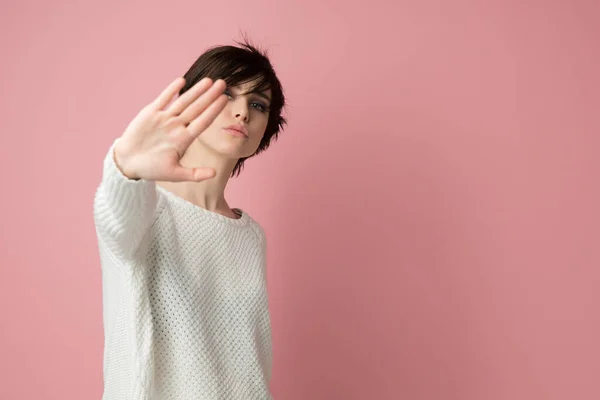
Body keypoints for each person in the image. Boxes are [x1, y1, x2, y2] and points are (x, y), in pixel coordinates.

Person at [92, 39, 287, 400]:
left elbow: (252, 358)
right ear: (193, 102)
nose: (242, 112)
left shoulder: (250, 235)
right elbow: (115, 218)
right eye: (226, 94)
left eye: (257, 104)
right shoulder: (147, 205)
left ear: (264, 132)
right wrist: (126, 168)